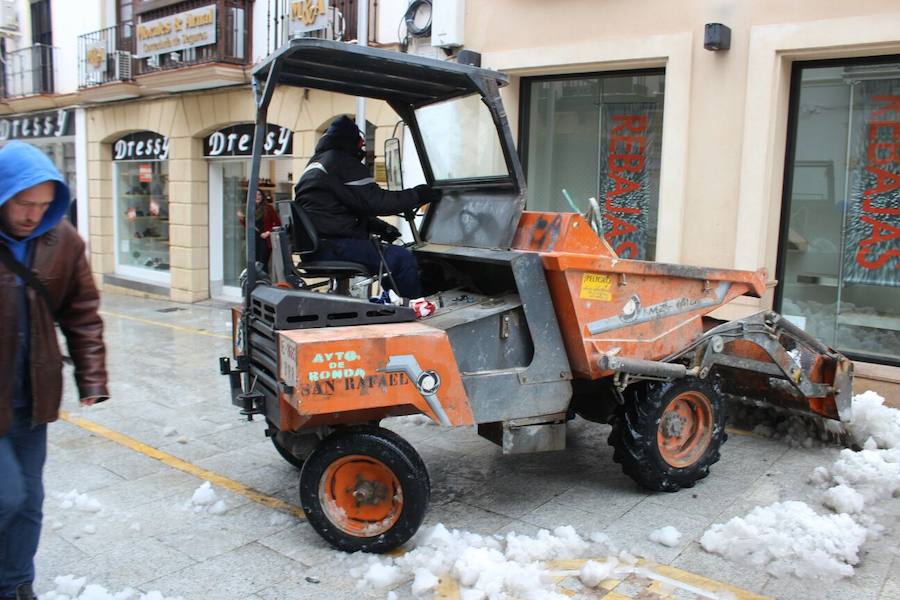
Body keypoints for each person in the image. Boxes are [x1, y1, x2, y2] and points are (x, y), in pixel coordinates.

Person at [0, 141, 109, 600]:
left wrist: (92, 378)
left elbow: (80, 310)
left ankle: (15, 583)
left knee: (30, 500)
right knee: (7, 496)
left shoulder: (62, 239)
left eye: (44, 205)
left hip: (33, 393)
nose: (32, 215)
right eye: (24, 203)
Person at [294, 115, 440, 298]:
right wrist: (417, 195)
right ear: (351, 141)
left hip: (317, 248)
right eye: (360, 143)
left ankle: (396, 301)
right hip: (335, 246)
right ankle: (419, 310)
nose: (362, 147)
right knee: (402, 258)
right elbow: (376, 201)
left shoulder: (317, 163)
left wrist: (379, 227)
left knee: (393, 260)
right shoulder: (341, 161)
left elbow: (339, 209)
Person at [239, 190, 281, 269]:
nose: (257, 197)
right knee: (253, 263)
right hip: (253, 239)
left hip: (264, 240)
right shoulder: (250, 209)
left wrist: (268, 232)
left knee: (263, 263)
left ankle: (264, 280)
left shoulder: (269, 208)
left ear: (262, 196)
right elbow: (248, 226)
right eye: (255, 195)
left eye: (259, 195)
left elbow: (278, 223)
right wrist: (242, 219)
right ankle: (255, 281)